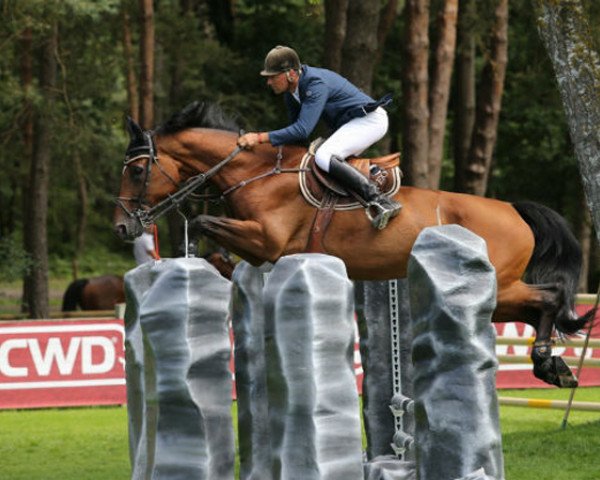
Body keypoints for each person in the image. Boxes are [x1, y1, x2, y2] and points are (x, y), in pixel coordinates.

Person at [237, 45, 401, 229]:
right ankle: (366, 183)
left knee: (324, 156)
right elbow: (297, 138)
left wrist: (259, 138)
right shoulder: (291, 94)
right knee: (320, 158)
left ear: (291, 74)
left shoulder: (315, 83)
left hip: (370, 121)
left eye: (273, 77)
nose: (269, 82)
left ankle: (381, 200)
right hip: (353, 123)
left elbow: (302, 130)